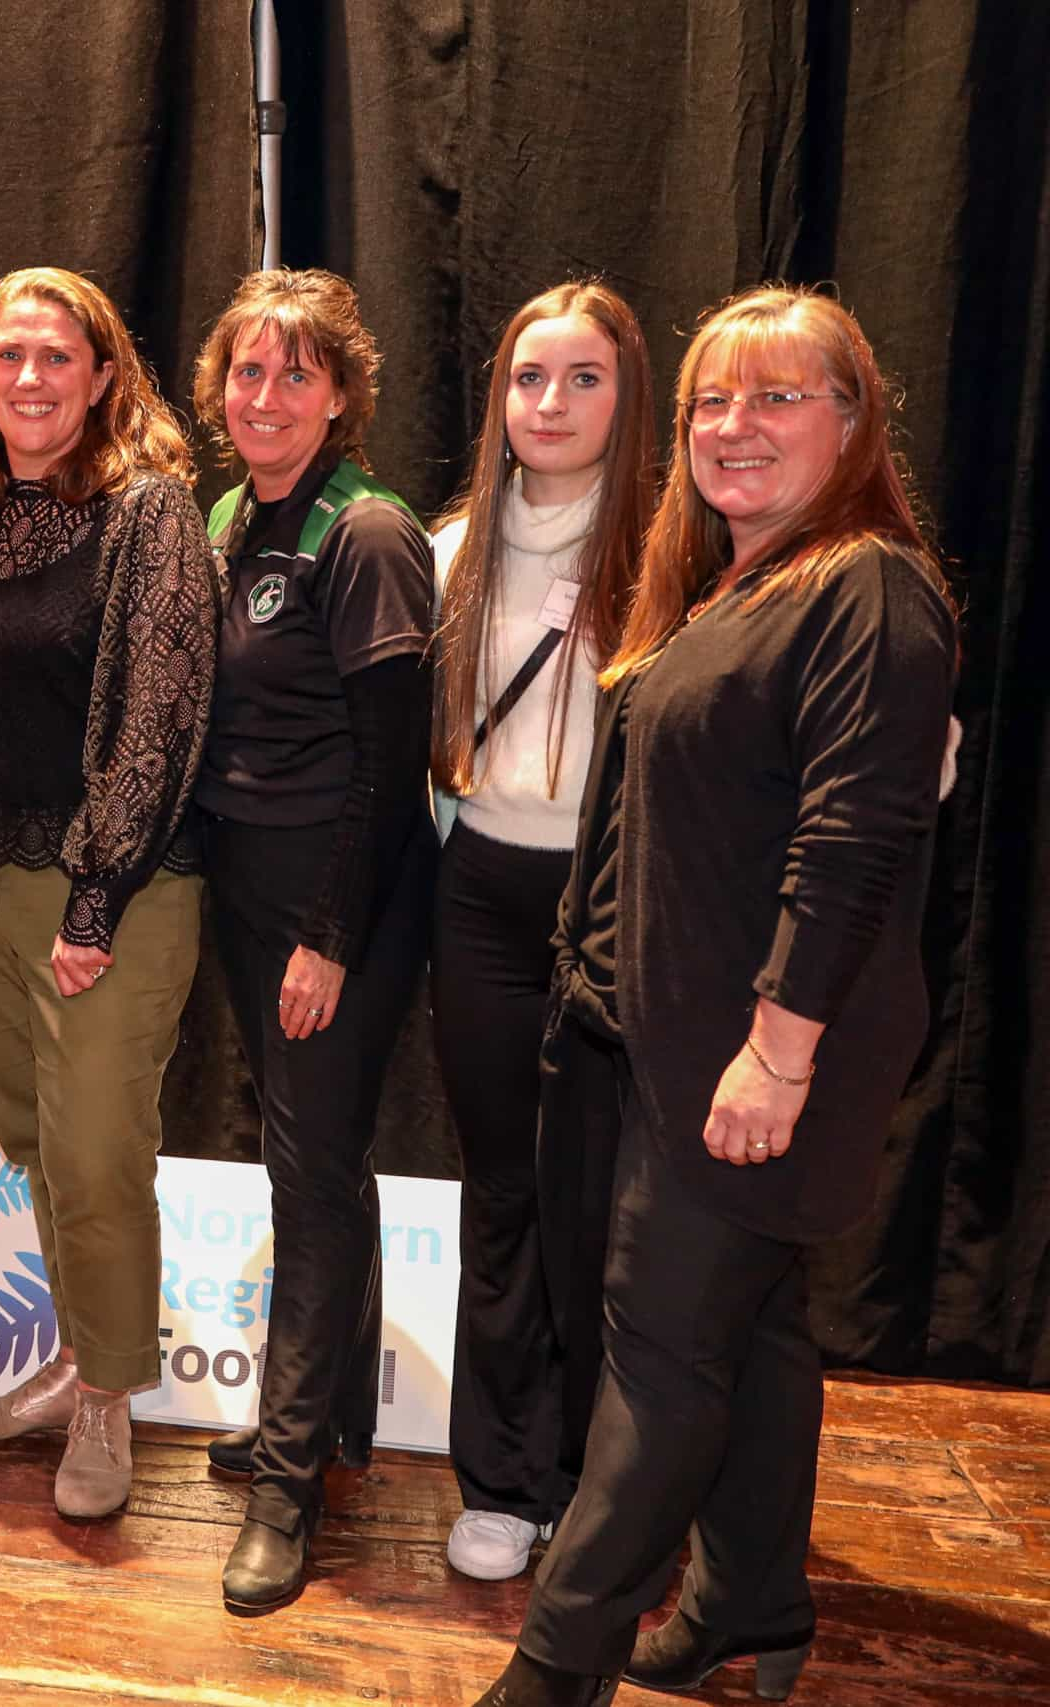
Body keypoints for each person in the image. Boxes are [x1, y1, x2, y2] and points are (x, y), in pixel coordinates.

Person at [473, 289, 957, 1707]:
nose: (733, 427)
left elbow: (854, 842)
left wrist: (779, 1055)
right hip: (669, 1040)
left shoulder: (869, 588)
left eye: (778, 397)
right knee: (751, 1331)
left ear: (854, 423)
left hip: (756, 1055)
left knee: (663, 1354)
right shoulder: (738, 579)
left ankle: (557, 1669)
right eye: (710, 401)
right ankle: (751, 1595)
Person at [0, 266, 217, 1522]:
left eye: (56, 356)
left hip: (108, 888)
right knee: (34, 1139)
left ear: (104, 376)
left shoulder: (149, 511)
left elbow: (161, 708)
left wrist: (96, 897)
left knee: (98, 1152)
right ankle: (70, 1357)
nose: (30, 378)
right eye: (7, 358)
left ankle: (108, 1400)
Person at [187, 268, 435, 1608]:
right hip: (246, 879)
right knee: (323, 1157)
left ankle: (287, 1492)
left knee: (307, 1173)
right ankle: (336, 1415)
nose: (264, 397)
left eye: (294, 374)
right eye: (246, 371)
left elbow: (391, 766)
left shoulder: (371, 531)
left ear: (340, 394)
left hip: (337, 893)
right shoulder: (233, 510)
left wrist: (330, 934)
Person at [426, 282, 656, 1581]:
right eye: (529, 378)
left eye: (581, 378)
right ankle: (500, 1479)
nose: (551, 403)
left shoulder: (672, 554)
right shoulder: (455, 548)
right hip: (487, 902)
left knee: (607, 1209)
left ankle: (594, 1480)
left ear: (628, 396)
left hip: (621, 904)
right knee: (505, 1195)